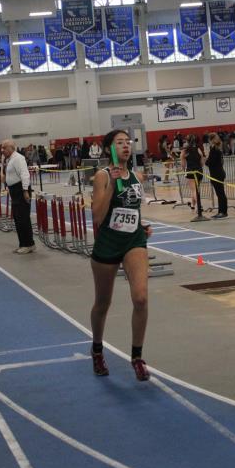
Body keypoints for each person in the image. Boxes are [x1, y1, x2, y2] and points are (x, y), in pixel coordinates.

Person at [89, 129, 154, 382]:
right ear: (109, 149)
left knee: (141, 298)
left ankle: (137, 357)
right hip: (107, 244)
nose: (126, 146)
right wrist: (111, 185)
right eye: (120, 143)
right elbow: (98, 216)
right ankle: (97, 350)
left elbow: (131, 209)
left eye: (128, 142)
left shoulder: (137, 176)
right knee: (102, 303)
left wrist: (141, 225)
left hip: (133, 242)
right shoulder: (102, 176)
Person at [2, 139, 35, 254]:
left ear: (11, 148)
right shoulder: (9, 159)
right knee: (17, 218)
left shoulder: (18, 158)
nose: (2, 150)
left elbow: (25, 174)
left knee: (23, 218)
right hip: (14, 191)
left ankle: (29, 244)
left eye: (4, 148)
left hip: (21, 190)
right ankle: (23, 244)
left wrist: (25, 190)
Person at [180, 135, 207, 221]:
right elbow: (202, 162)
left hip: (191, 172)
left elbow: (183, 163)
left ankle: (199, 206)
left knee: (194, 190)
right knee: (196, 189)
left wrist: (183, 170)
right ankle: (193, 205)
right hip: (199, 172)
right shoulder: (198, 149)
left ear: (187, 141)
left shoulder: (185, 150)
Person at [206, 133, 228, 219]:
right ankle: (221, 211)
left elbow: (210, 162)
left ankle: (223, 212)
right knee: (220, 193)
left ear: (211, 140)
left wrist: (206, 159)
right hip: (218, 173)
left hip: (217, 174)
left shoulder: (214, 149)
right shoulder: (217, 148)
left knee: (220, 194)